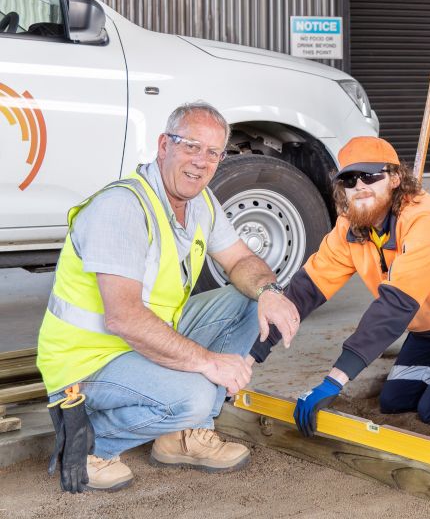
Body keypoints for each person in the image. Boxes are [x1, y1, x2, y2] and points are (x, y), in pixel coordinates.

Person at [37, 102, 300, 493]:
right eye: (191, 146)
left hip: (142, 341)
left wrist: (270, 291)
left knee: (248, 301)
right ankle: (90, 442)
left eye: (213, 152)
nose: (201, 161)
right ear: (164, 145)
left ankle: (182, 436)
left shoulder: (201, 204)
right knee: (195, 395)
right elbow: (124, 317)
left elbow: (241, 259)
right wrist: (209, 363)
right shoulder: (122, 208)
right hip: (87, 360)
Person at [248, 136, 430, 436]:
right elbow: (305, 291)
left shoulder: (423, 220)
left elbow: (395, 306)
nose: (360, 186)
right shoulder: (350, 227)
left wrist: (334, 381)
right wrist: (250, 357)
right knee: (396, 400)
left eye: (370, 176)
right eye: (350, 179)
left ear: (395, 178)